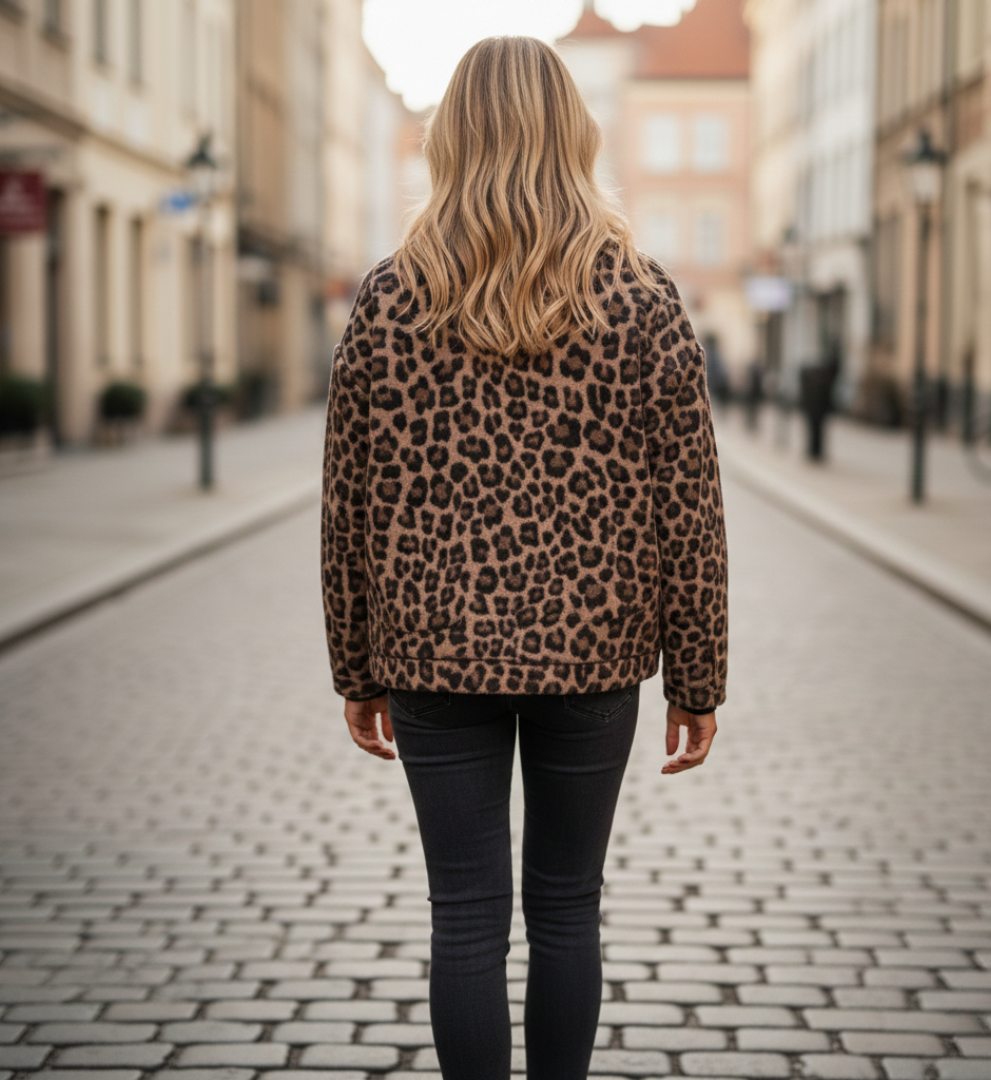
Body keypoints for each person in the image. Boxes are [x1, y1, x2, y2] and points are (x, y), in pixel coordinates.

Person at [321, 36, 728, 1080]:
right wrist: (698, 678)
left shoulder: (391, 299)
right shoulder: (642, 299)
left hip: (432, 659)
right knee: (565, 910)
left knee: (463, 918)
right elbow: (691, 508)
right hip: (591, 662)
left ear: (450, 140)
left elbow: (348, 504)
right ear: (574, 134)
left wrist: (356, 665)